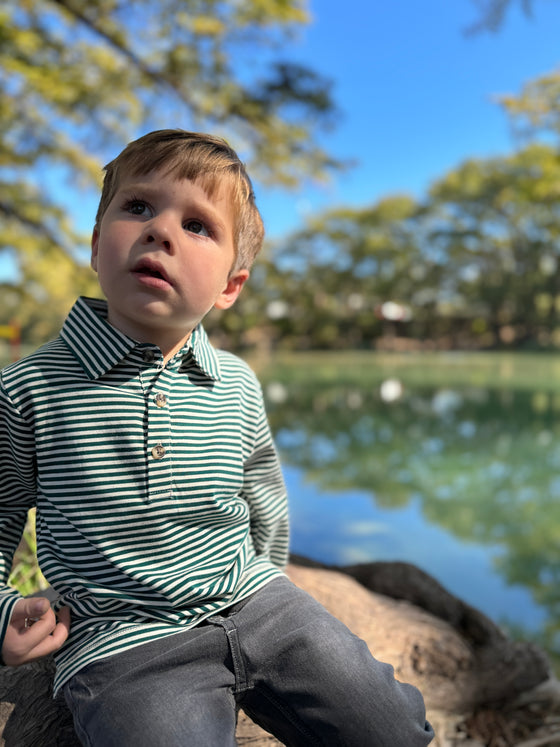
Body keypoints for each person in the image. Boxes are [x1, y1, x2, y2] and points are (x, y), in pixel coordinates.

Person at [0, 129, 434, 746]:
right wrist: (3, 616)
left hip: (255, 603)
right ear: (98, 246)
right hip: (128, 641)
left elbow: (263, 493)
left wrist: (272, 577)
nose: (161, 231)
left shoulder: (235, 382)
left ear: (230, 285)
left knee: (391, 727)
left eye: (199, 226)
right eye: (138, 207)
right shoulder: (31, 388)